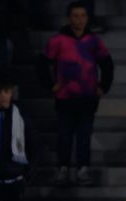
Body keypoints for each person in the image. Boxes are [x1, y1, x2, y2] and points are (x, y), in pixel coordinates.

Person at [38, 1, 114, 186]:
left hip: (87, 98)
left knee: (84, 136)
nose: (79, 20)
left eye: (83, 16)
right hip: (65, 98)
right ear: (69, 18)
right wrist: (50, 85)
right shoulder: (58, 41)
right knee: (64, 135)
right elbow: (42, 64)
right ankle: (62, 168)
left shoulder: (94, 41)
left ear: (87, 18)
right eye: (75, 16)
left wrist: (103, 86)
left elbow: (107, 64)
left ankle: (83, 169)